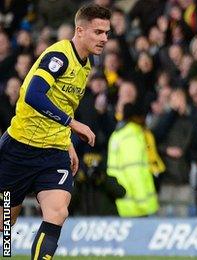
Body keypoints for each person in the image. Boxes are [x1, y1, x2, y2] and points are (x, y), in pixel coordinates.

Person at [0, 4, 110, 260]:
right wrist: (72, 125)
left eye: (106, 32)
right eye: (98, 32)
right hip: (19, 148)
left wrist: (67, 142)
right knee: (5, 226)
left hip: (53, 153)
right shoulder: (58, 56)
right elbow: (33, 95)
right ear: (80, 31)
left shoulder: (86, 64)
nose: (104, 38)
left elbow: (63, 103)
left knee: (58, 212)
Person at [107, 103, 159, 217]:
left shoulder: (118, 134)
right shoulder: (132, 136)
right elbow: (134, 173)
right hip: (136, 207)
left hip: (123, 203)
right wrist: (144, 205)